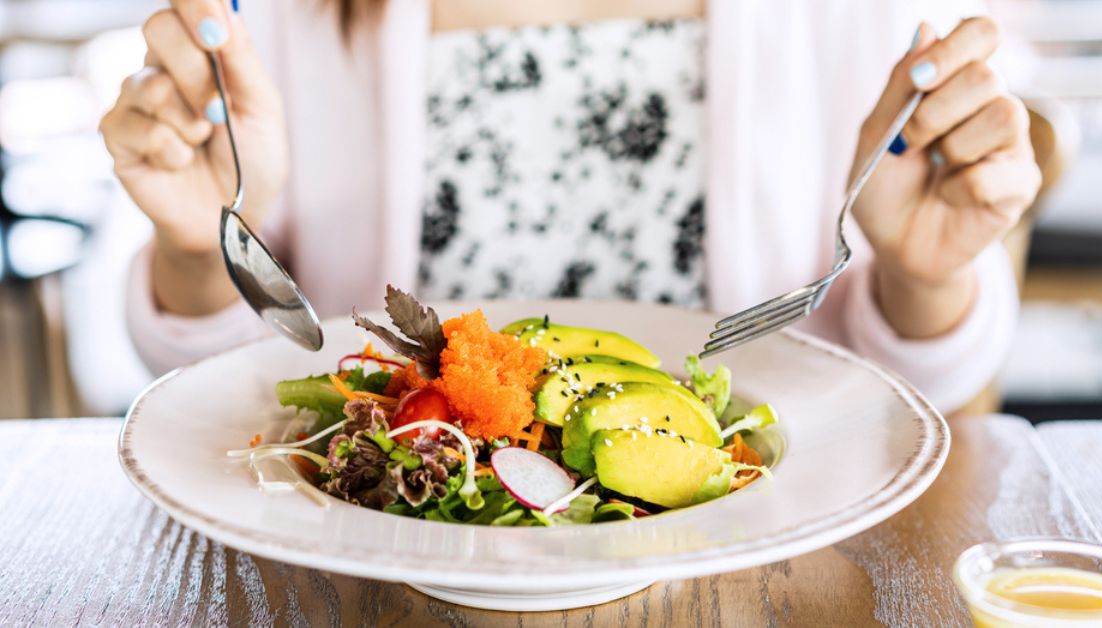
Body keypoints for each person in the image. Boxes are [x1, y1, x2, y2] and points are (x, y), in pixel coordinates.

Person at [100, 0, 1039, 413]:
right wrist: (202, 245)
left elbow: (905, 393)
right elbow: (237, 397)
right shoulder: (283, 13)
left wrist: (927, 277)